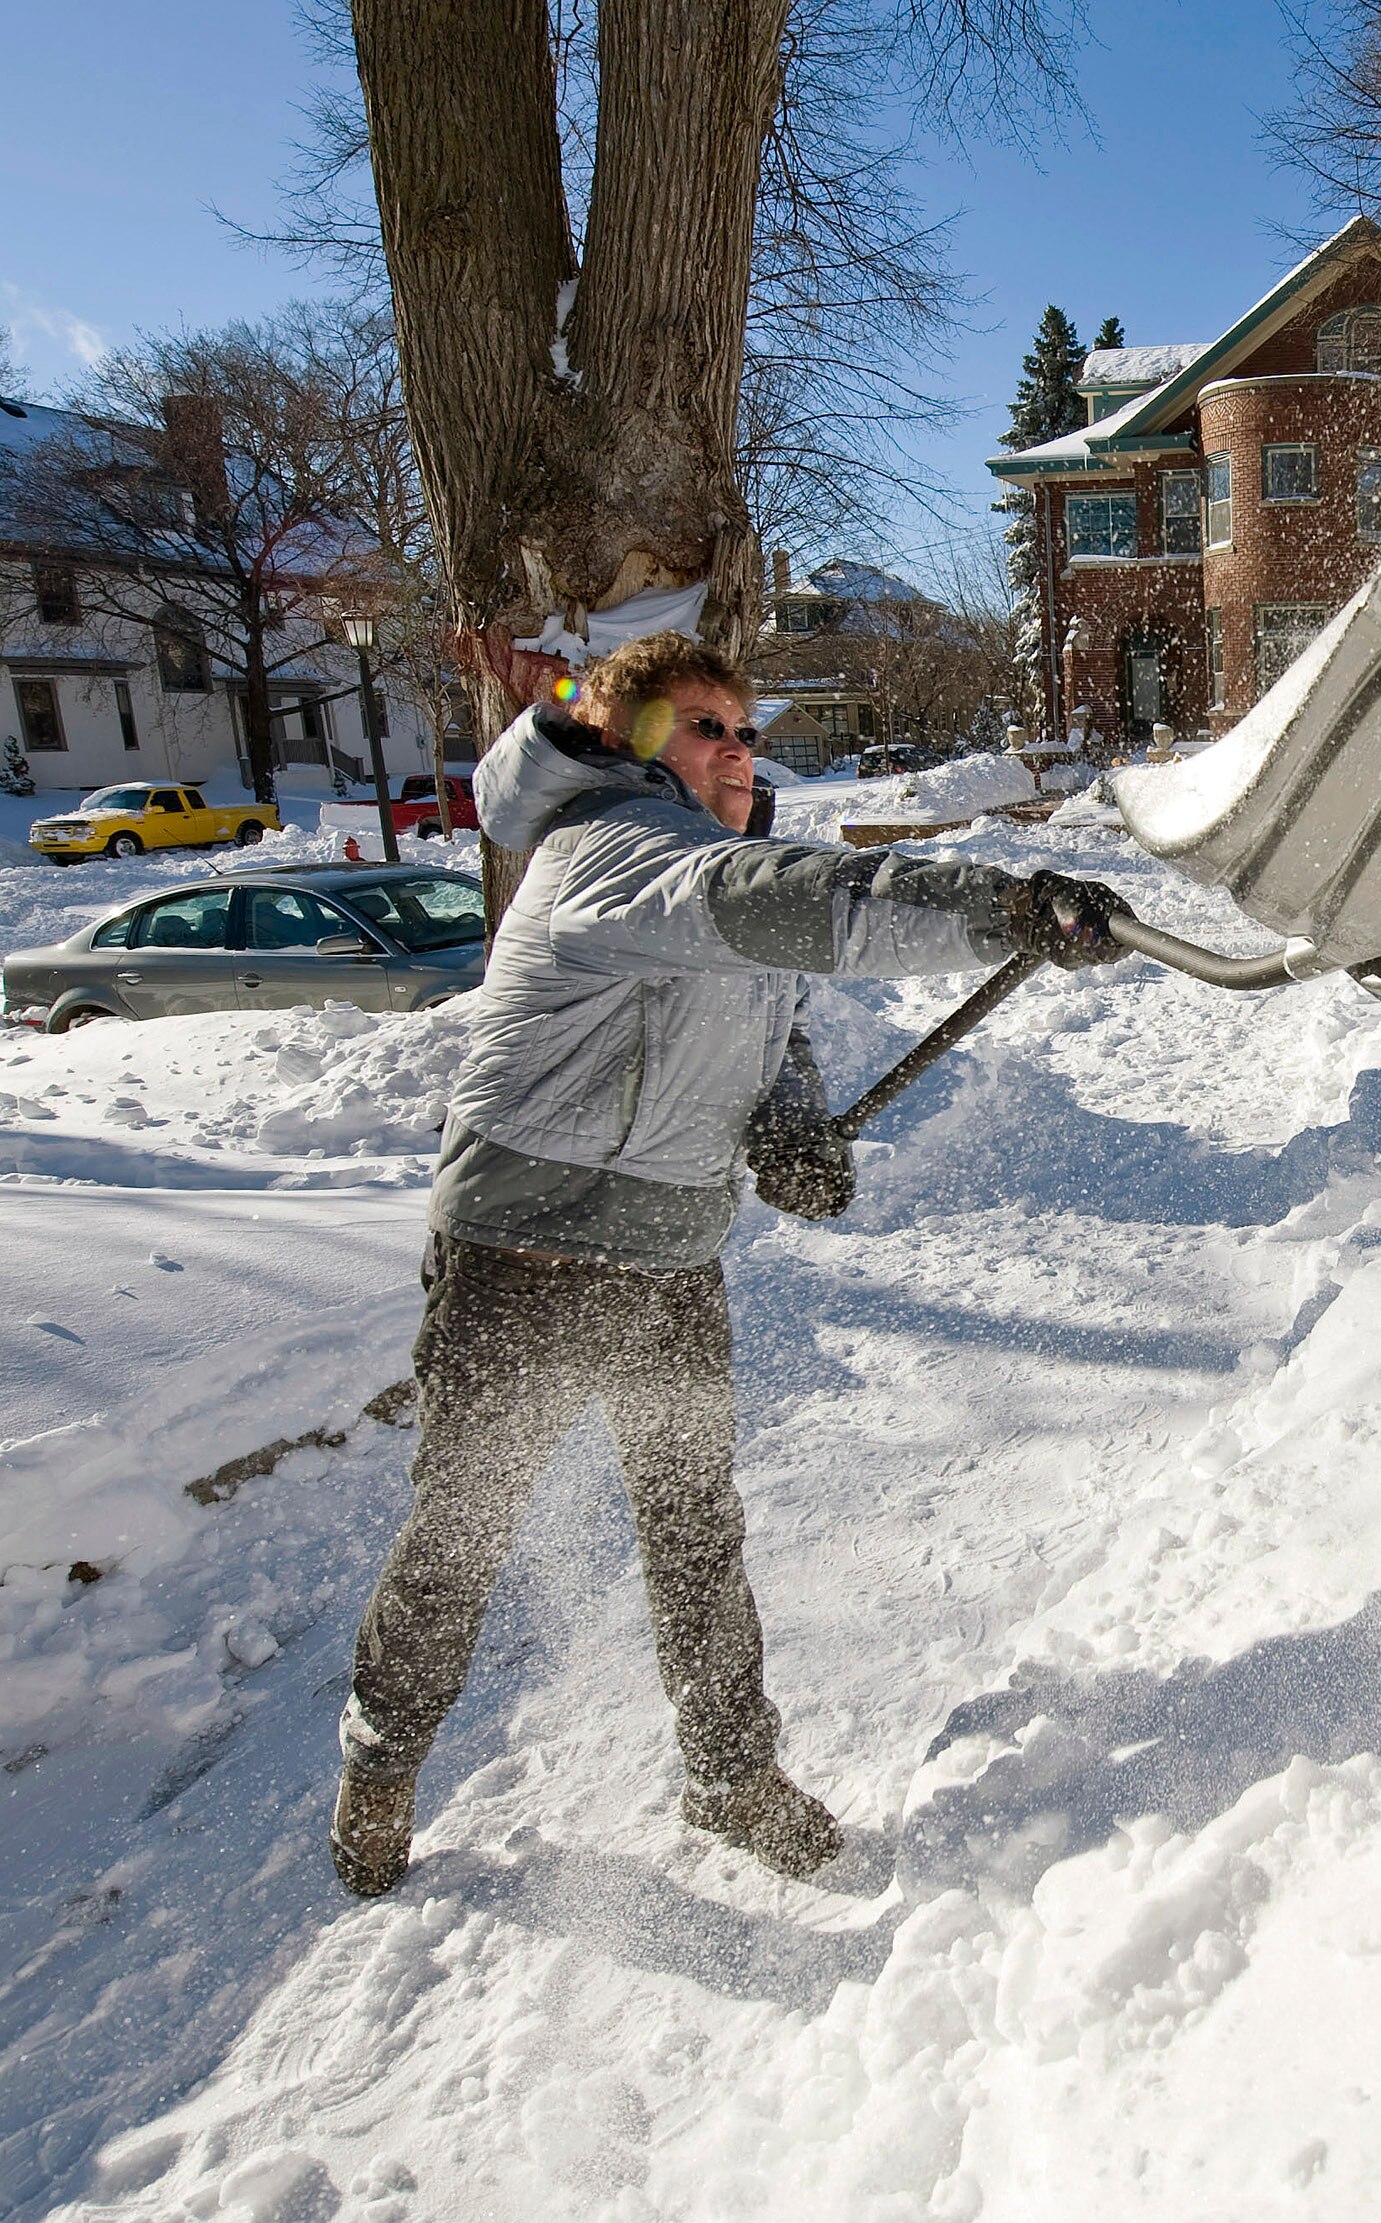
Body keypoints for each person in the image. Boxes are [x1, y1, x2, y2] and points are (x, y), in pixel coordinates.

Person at [330, 630, 1128, 1897]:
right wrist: (1001, 907)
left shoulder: (706, 860)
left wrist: (787, 1123)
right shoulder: (611, 849)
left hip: (667, 1259)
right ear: (634, 746)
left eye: (747, 730)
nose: (739, 750)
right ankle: (381, 1766)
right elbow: (784, 909)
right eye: (705, 726)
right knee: (463, 1531)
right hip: (523, 1249)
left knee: (696, 1534)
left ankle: (729, 1774)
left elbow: (761, 1016)